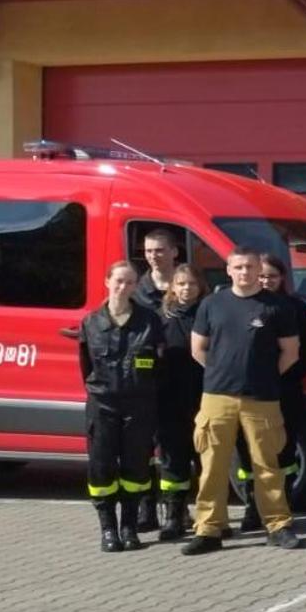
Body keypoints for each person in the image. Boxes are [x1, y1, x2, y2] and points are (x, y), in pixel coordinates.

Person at [181, 247, 306, 555]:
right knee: (212, 465)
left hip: (262, 398)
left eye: (250, 267)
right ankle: (209, 528)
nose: (244, 273)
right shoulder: (212, 304)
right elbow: (198, 349)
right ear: (229, 270)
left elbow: (290, 353)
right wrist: (222, 373)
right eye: (238, 267)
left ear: (257, 269)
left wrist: (263, 376)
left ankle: (278, 526)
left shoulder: (277, 306)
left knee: (268, 465)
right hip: (216, 397)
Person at [76, 261, 164, 552]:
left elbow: (159, 365)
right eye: (119, 281)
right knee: (101, 469)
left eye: (130, 282)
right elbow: (86, 367)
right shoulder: (92, 322)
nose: (123, 287)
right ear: (107, 282)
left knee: (136, 469)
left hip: (139, 406)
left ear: (136, 286)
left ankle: (129, 526)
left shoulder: (149, 321)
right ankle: (108, 529)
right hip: (103, 405)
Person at [247, 255, 306, 533]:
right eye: (261, 276)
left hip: (286, 390)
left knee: (284, 450)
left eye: (271, 276)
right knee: (250, 452)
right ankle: (253, 508)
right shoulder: (246, 305)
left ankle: (282, 506)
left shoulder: (296, 308)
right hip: (251, 392)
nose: (266, 281)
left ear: (282, 278)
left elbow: (305, 352)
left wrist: (285, 377)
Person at [130, 227, 184, 530]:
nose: (154, 256)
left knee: (177, 449)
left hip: (181, 380)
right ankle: (146, 510)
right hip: (147, 382)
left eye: (160, 250)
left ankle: (177, 512)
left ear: (175, 252)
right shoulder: (138, 291)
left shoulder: (188, 286)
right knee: (145, 449)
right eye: (149, 251)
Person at [154, 266, 209, 541]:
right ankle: (174, 516)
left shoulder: (209, 314)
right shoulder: (160, 320)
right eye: (181, 284)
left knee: (205, 460)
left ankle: (208, 517)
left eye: (192, 284)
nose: (187, 288)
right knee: (173, 461)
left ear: (200, 287)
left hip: (204, 398)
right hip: (169, 401)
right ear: (172, 288)